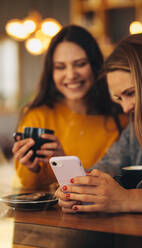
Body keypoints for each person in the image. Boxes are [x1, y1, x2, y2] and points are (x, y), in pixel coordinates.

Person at [55, 32, 142, 216]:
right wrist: (79, 190)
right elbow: (108, 165)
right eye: (119, 98)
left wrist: (130, 199)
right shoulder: (135, 130)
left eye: (130, 93)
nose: (125, 108)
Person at [12, 25, 127, 189]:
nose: (71, 75)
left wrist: (64, 164)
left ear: (95, 65)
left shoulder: (121, 118)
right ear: (51, 72)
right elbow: (27, 187)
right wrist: (31, 167)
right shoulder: (37, 116)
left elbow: (116, 184)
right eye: (60, 67)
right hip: (45, 214)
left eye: (80, 64)